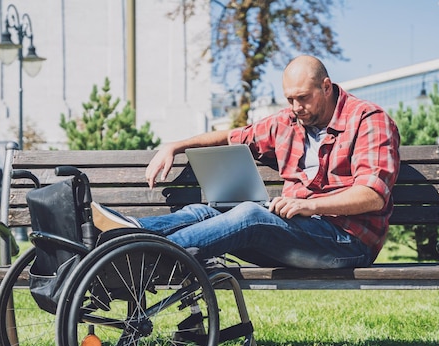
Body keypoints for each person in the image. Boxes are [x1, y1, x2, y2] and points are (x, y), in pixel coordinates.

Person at [92, 55, 401, 269]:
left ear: (327, 87)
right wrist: (177, 145)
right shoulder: (287, 122)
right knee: (209, 209)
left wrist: (312, 206)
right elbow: (232, 137)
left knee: (251, 214)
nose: (296, 107)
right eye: (289, 99)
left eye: (303, 98)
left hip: (345, 243)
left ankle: (143, 258)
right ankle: (131, 234)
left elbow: (373, 195)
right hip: (294, 232)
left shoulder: (368, 121)